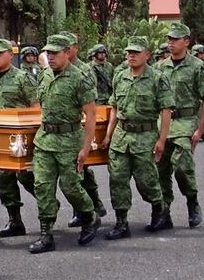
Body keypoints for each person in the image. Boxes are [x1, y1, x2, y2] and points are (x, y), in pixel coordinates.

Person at [27, 35, 101, 254]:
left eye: (55, 53)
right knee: (42, 186)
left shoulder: (79, 78)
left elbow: (90, 115)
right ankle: (46, 234)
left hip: (69, 141)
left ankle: (89, 216)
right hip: (45, 140)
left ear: (67, 53)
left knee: (70, 186)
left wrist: (85, 148)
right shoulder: (45, 76)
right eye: (48, 53)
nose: (50, 57)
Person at [100, 37, 175, 240]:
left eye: (136, 52)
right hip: (121, 136)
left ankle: (160, 210)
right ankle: (121, 223)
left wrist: (161, 140)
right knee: (117, 180)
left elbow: (166, 110)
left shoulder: (157, 78)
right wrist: (108, 135)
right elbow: (114, 107)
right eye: (128, 52)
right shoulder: (120, 76)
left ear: (147, 55)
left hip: (145, 135)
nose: (131, 55)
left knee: (146, 181)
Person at [156, 23, 204, 228]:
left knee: (182, 167)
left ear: (186, 41)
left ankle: (192, 201)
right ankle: (164, 212)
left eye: (175, 39)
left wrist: (200, 129)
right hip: (163, 123)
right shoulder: (160, 67)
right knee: (160, 170)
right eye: (169, 40)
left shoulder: (198, 66)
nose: (170, 43)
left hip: (186, 121)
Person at [0, 38, 38, 238]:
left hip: (22, 139)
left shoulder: (23, 78)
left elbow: (35, 107)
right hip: (0, 140)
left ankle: (47, 203)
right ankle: (15, 220)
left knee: (27, 177)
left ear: (10, 55)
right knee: (4, 180)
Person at [59, 32, 107, 226]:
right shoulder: (55, 69)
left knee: (80, 170)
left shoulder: (84, 70)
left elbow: (89, 103)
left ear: (75, 48)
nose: (66, 50)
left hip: (80, 124)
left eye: (68, 47)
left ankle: (88, 206)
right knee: (79, 171)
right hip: (64, 126)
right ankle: (92, 204)